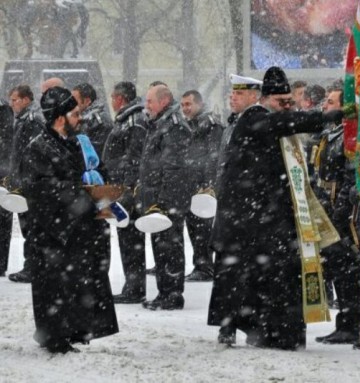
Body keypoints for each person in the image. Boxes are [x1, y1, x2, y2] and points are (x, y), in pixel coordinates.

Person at [207, 66, 344, 350]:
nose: (287, 109)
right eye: (282, 103)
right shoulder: (255, 118)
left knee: (265, 276)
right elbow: (283, 124)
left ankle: (273, 330)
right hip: (248, 217)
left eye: (290, 104)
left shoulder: (271, 120)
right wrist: (324, 117)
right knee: (244, 277)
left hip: (265, 215)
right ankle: (255, 328)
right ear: (267, 99)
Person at [19, 86, 118, 353]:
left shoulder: (77, 142)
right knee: (55, 288)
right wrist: (84, 197)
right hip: (55, 235)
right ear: (60, 117)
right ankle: (55, 337)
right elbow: (45, 192)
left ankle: (76, 331)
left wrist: (107, 192)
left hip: (81, 232)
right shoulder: (39, 147)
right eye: (75, 113)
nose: (80, 118)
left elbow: (96, 171)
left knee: (80, 284)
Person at [314, 83, 360, 345]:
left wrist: (340, 211)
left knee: (347, 271)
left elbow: (348, 175)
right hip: (325, 207)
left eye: (331, 102)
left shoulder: (349, 136)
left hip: (341, 212)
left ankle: (351, 324)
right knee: (336, 269)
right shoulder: (330, 133)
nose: (326, 106)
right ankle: (343, 322)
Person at [139, 84, 193, 310]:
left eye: (150, 101)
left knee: (170, 245)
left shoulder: (173, 127)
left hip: (169, 199)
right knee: (160, 245)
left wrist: (162, 201)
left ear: (163, 101)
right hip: (157, 198)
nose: (146, 106)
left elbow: (173, 169)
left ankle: (173, 293)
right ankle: (164, 291)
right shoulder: (159, 124)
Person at [102, 81, 149, 304]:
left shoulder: (133, 121)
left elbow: (133, 158)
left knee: (131, 239)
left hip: (126, 188)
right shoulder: (126, 119)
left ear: (120, 99)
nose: (111, 102)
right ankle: (132, 285)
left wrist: (127, 188)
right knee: (126, 237)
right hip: (118, 186)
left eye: (113, 97)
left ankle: (135, 287)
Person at [180, 90, 224, 282]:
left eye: (188, 104)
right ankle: (200, 264)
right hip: (190, 182)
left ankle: (205, 266)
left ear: (199, 103)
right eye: (182, 105)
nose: (185, 109)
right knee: (193, 225)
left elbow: (213, 155)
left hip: (204, 184)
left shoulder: (211, 124)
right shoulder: (189, 124)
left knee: (203, 227)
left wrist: (208, 184)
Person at [6, 85, 45, 283]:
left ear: (26, 100)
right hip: (22, 181)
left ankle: (33, 266)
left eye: (15, 100)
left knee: (32, 227)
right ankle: (31, 264)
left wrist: (26, 179)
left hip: (30, 183)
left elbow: (32, 154)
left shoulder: (32, 121)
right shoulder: (21, 120)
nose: (12, 104)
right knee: (26, 227)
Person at [72, 83, 113, 157]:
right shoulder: (85, 118)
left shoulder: (99, 121)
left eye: (74, 100)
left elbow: (97, 151)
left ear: (87, 101)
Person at [0, 99, 14, 277]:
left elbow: (7, 142)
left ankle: (1, 262)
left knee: (2, 221)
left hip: (2, 172)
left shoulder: (3, 108)